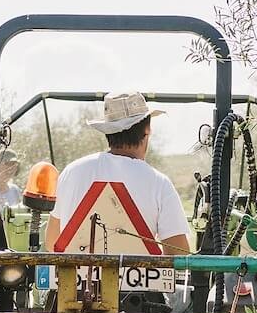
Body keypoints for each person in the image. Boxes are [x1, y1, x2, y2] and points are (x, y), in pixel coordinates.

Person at [45, 92, 192, 257]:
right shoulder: (159, 183)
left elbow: (52, 242)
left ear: (108, 131)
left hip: (74, 282)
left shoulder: (71, 172)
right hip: (138, 282)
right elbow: (179, 254)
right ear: (147, 130)